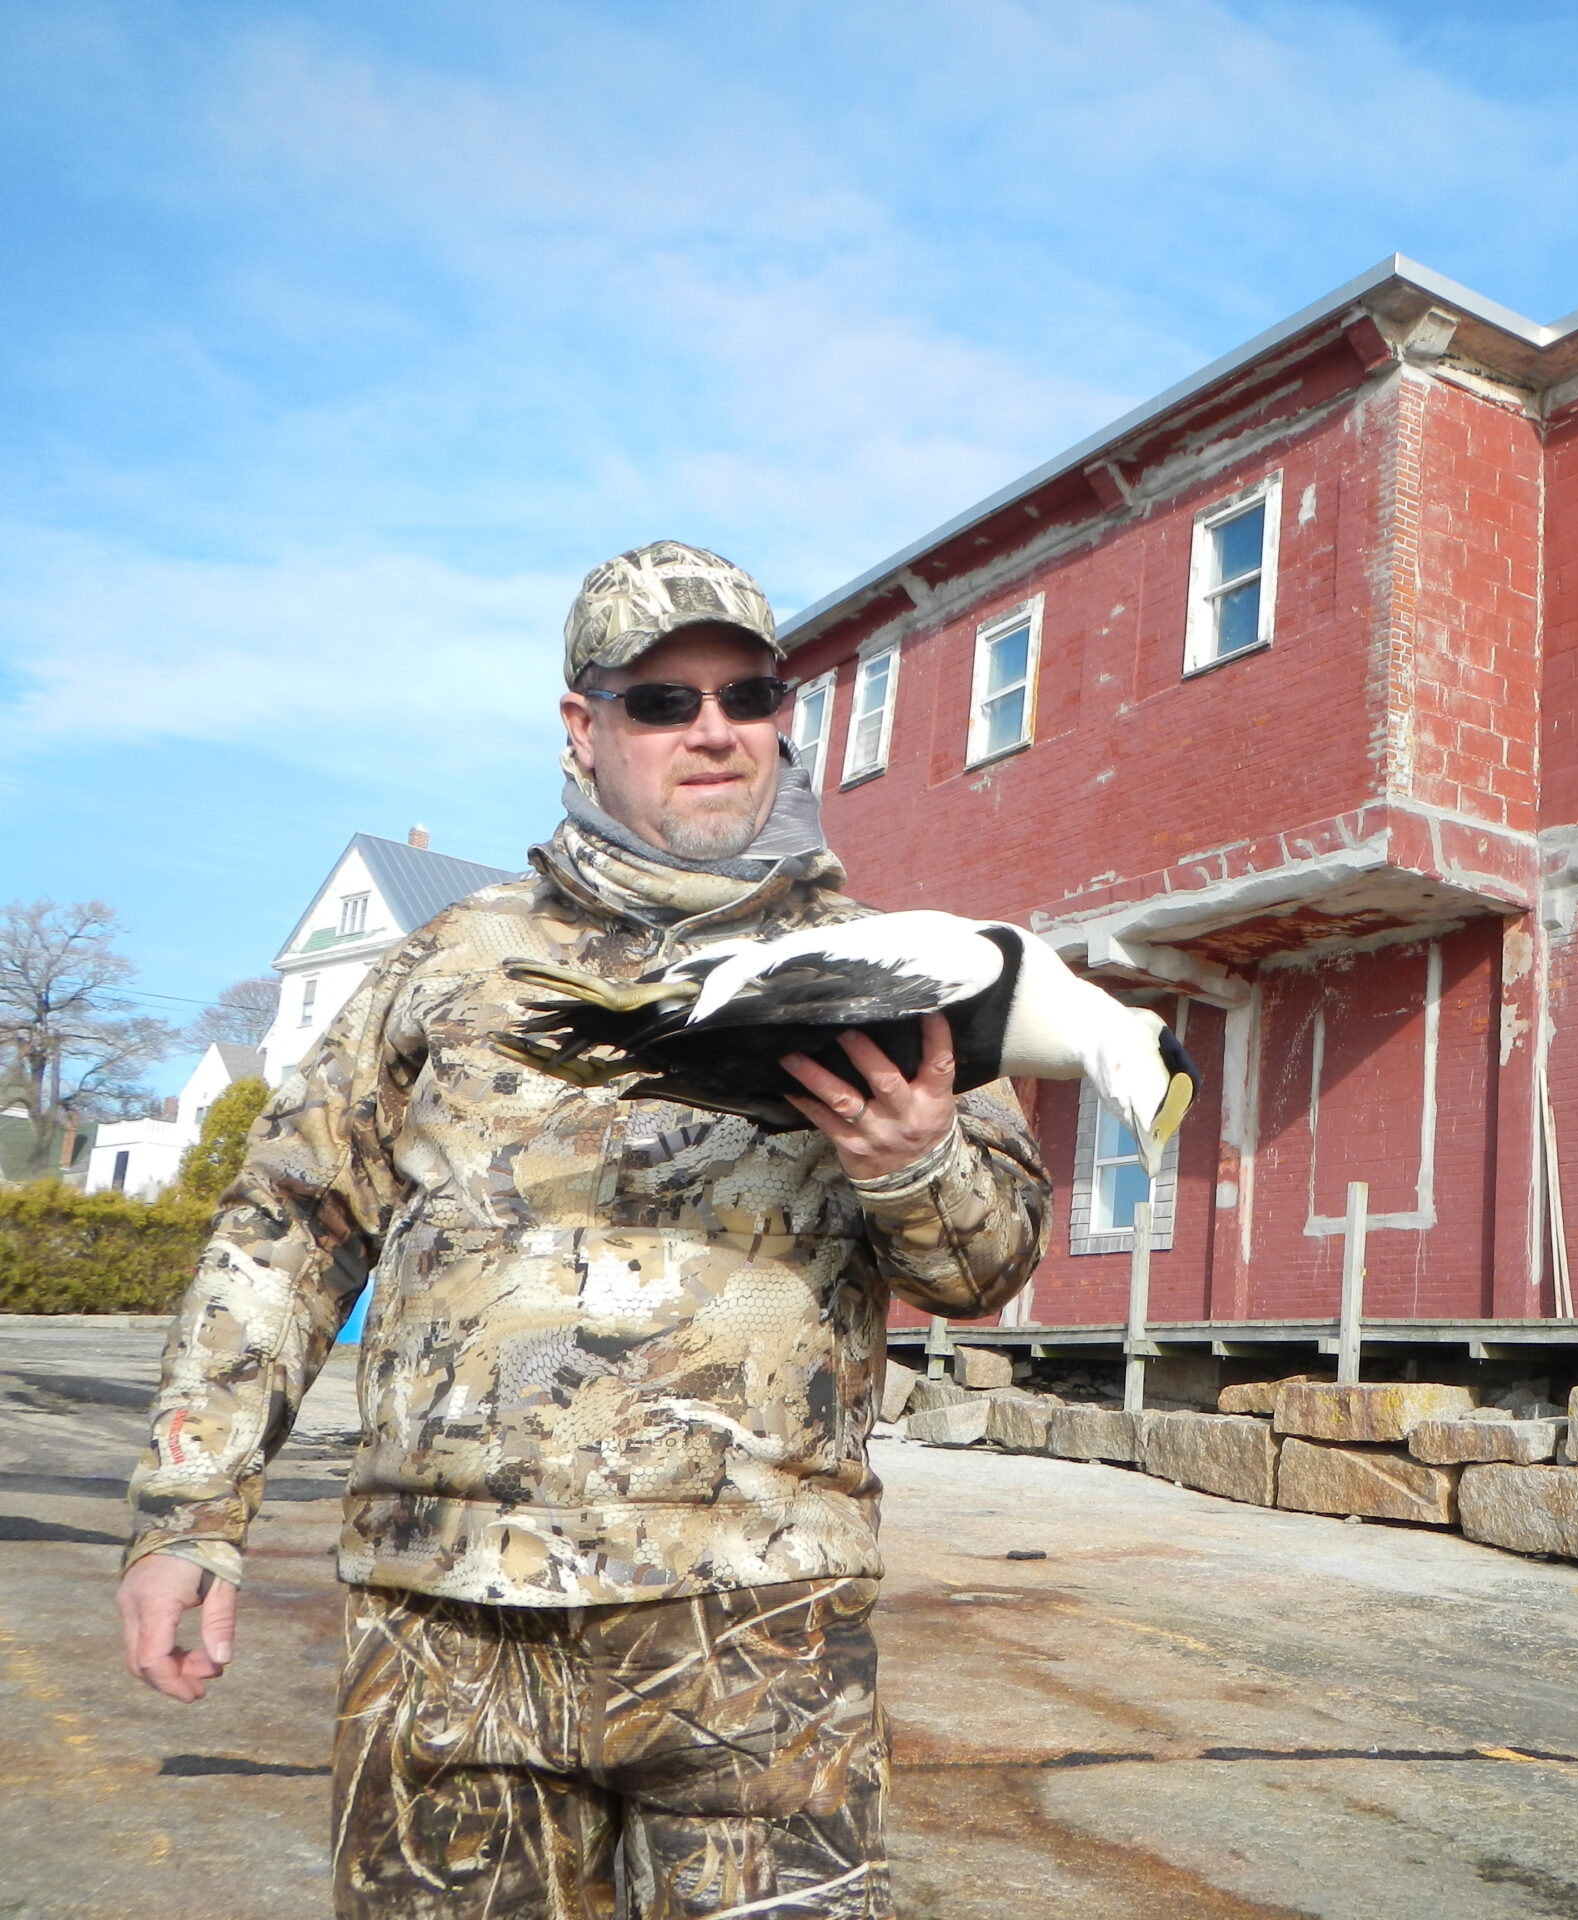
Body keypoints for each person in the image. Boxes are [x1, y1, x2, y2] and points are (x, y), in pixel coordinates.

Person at [116, 540, 1047, 1919]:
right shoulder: (452, 963)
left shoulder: (902, 970)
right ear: (585, 728)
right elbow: (290, 1228)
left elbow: (988, 1262)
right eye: (663, 701)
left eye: (750, 693)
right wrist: (191, 1511)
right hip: (449, 1625)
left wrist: (916, 1164)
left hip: (759, 1632)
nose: (716, 728)